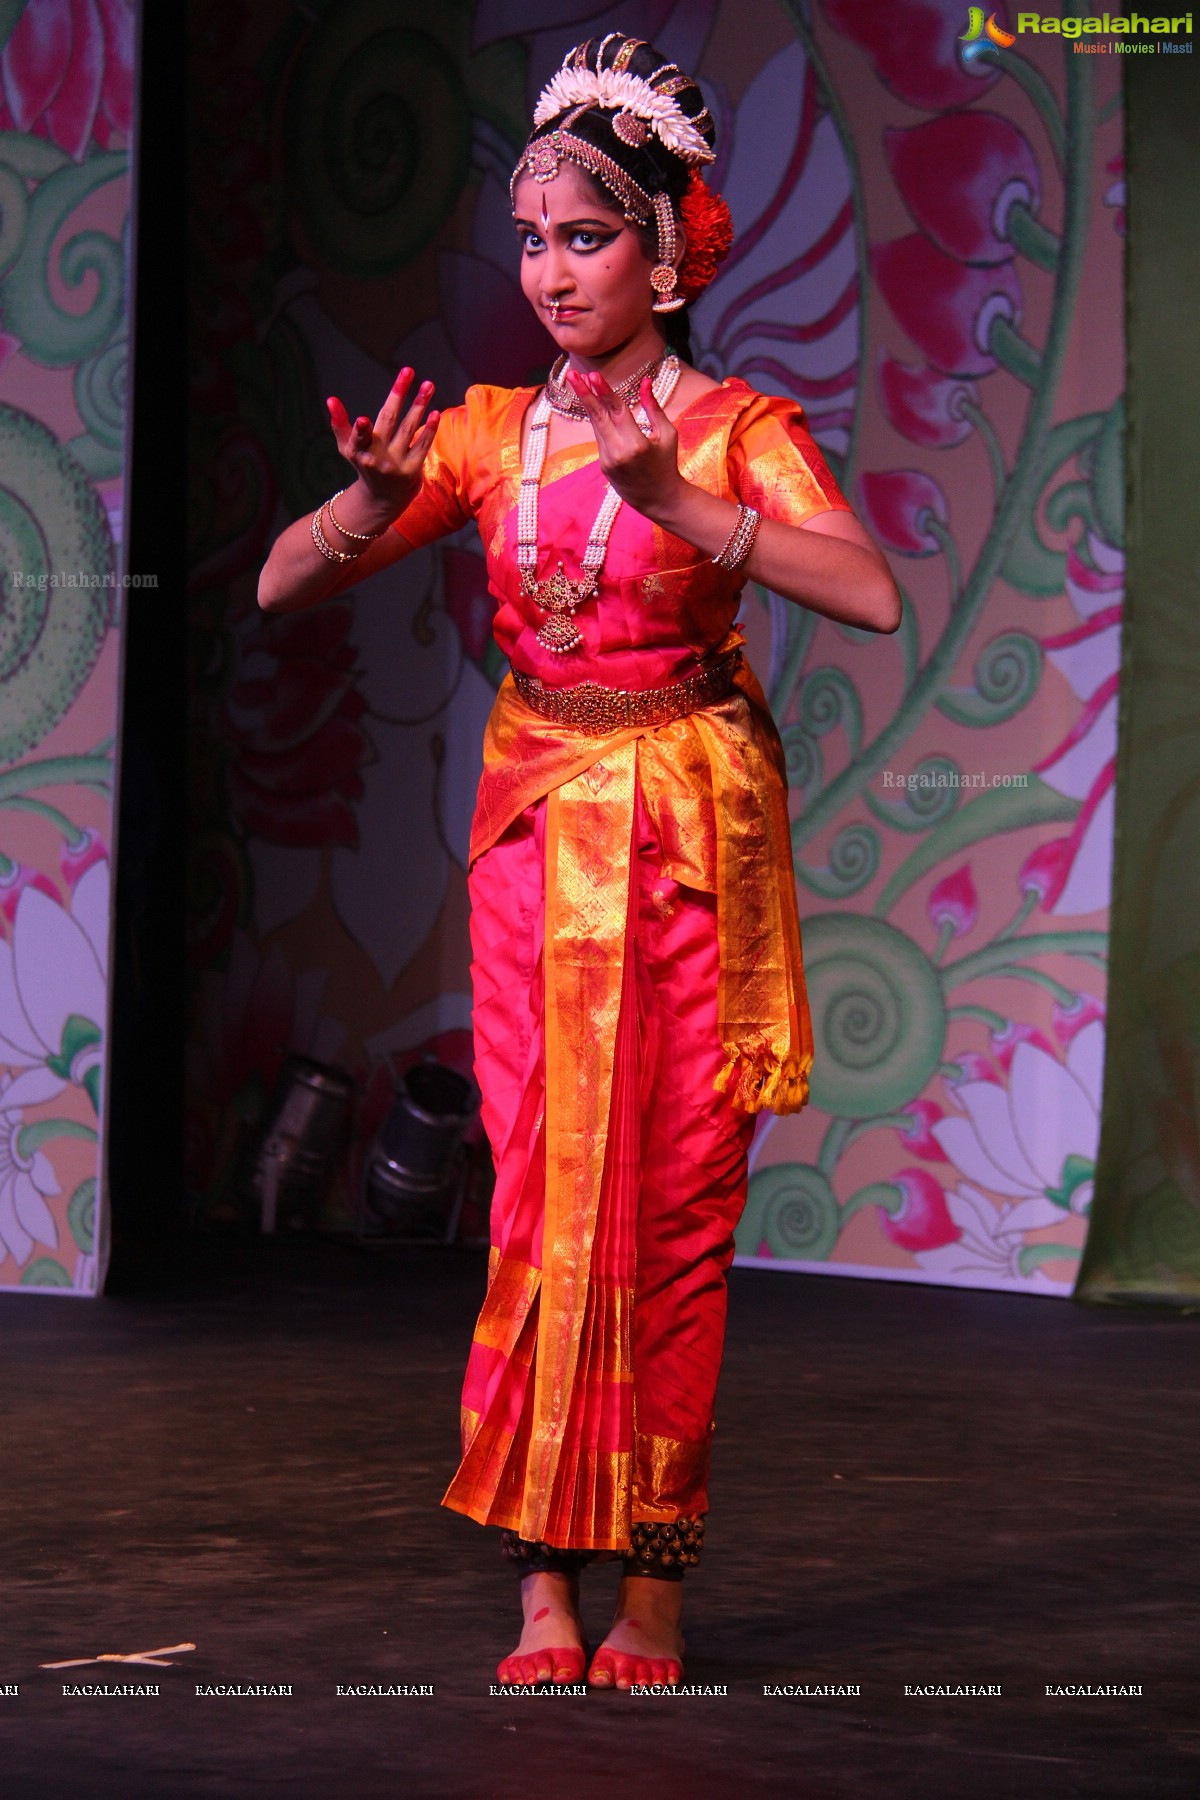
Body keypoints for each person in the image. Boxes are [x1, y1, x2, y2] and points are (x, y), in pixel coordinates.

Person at [259, 32, 901, 1692]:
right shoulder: (486, 432)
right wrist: (357, 507)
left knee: (675, 1215)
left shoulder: (737, 429)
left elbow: (871, 592)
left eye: (589, 235)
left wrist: (679, 504)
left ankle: (657, 1597)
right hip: (539, 854)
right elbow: (274, 589)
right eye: (533, 236)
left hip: (686, 850)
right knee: (543, 1205)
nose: (550, 270)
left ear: (673, 248)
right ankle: (544, 1585)